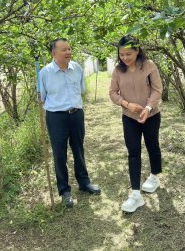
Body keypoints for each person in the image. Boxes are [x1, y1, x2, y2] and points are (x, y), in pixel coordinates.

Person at [40, 38, 101, 208]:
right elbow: (42, 98)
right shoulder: (44, 73)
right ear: (53, 53)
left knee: (78, 149)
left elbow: (81, 90)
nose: (68, 52)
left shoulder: (77, 68)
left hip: (76, 114)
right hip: (56, 117)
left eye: (69, 49)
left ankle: (84, 182)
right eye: (63, 50)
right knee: (59, 154)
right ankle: (64, 190)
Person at [109, 34, 163, 213]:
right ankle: (135, 194)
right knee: (133, 152)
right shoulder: (118, 70)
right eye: (121, 54)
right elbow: (113, 93)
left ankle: (154, 176)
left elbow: (157, 90)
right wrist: (126, 104)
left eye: (128, 54)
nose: (124, 58)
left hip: (151, 115)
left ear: (137, 50)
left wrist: (148, 108)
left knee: (152, 146)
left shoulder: (149, 66)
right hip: (129, 117)